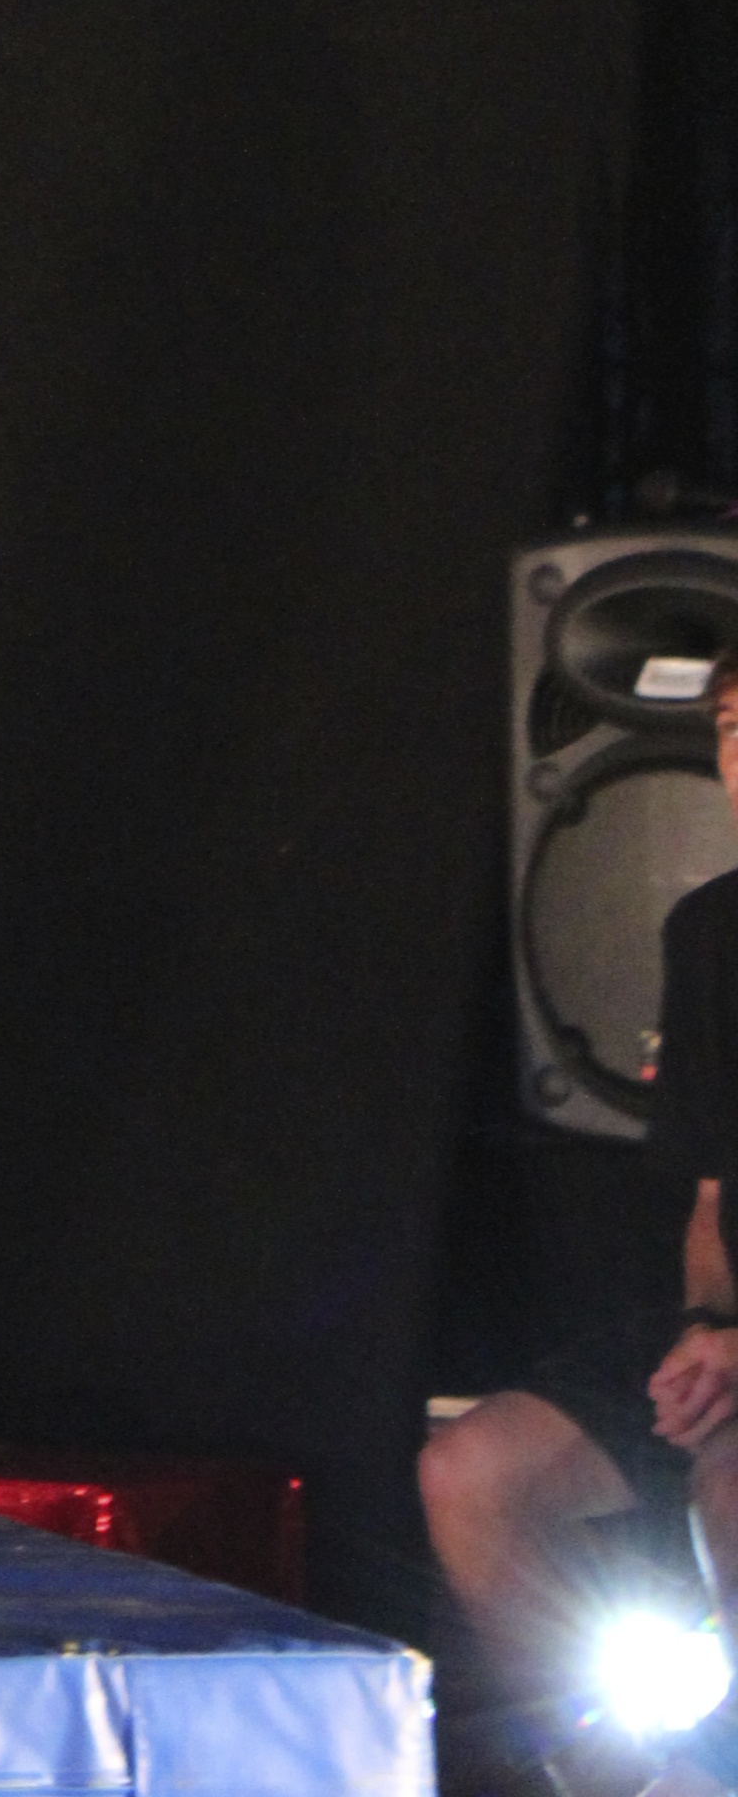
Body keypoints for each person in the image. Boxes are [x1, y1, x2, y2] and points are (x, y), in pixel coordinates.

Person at [422, 647, 738, 1758]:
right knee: (470, 1472)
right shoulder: (711, 932)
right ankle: (610, 1779)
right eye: (734, 731)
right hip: (732, 1335)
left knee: (731, 1487)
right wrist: (705, 1330)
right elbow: (712, 1195)